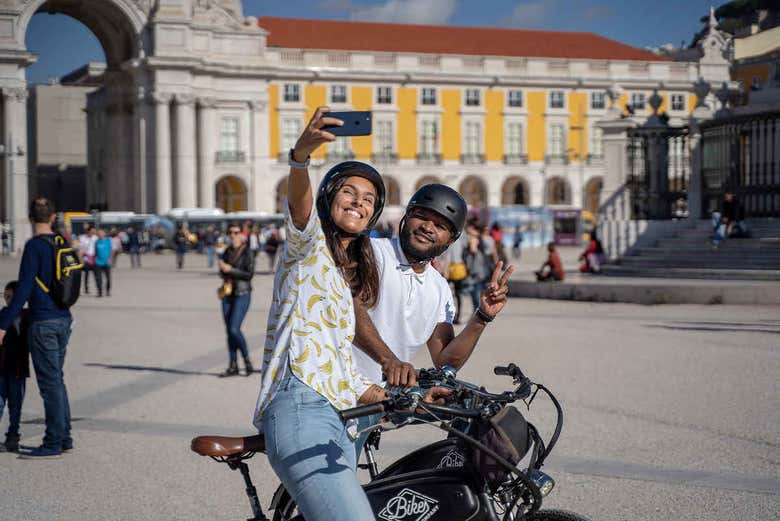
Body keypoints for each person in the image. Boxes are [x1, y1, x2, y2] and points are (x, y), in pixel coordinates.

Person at [253, 107, 445, 521]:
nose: (358, 202)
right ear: (329, 196)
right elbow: (300, 210)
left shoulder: (343, 284)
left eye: (369, 199)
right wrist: (300, 158)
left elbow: (338, 372)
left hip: (342, 418)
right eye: (348, 192)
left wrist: (411, 396)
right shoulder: (308, 249)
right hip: (301, 409)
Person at [351, 183, 514, 409]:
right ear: (406, 218)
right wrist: (389, 360)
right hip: (331, 393)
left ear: (451, 240)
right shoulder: (370, 252)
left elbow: (444, 361)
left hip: (377, 405)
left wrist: (482, 317)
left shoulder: (439, 287)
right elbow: (349, 310)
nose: (428, 227)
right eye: (422, 216)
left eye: (440, 225)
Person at [0, 198, 74, 459]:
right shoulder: (61, 242)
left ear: (31, 219)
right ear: (53, 217)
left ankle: (53, 441)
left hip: (42, 320)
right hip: (64, 318)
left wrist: (4, 324)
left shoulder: (34, 246)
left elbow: (24, 287)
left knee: (50, 383)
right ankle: (64, 437)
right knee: (57, 379)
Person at [218, 223, 255, 377]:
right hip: (227, 294)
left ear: (242, 234)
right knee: (229, 332)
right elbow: (222, 274)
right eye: (230, 232)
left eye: (236, 232)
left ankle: (247, 361)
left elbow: (249, 274)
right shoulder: (227, 251)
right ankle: (233, 365)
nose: (233, 235)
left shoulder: (247, 252)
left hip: (242, 293)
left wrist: (230, 270)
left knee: (234, 329)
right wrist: (222, 269)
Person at [0, 281, 29, 453]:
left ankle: (13, 436)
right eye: (6, 296)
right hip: (2, 369)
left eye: (12, 297)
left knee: (16, 405)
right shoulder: (2, 315)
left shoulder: (26, 316)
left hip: (18, 369)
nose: (8, 300)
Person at [463, 222, 496, 315]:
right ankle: (479, 311)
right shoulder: (483, 239)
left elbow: (473, 250)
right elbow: (492, 252)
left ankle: (477, 312)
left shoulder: (475, 239)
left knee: (476, 292)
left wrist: (470, 243)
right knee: (480, 290)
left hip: (476, 270)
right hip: (483, 268)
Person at [78, 225, 97, 293]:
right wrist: (81, 259)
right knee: (86, 275)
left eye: (94, 231)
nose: (93, 233)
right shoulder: (82, 238)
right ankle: (86, 288)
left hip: (94, 258)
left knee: (96, 274)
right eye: (92, 231)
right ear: (88, 231)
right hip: (86, 258)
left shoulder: (96, 238)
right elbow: (80, 249)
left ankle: (98, 289)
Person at [94, 229, 112, 297]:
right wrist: (95, 259)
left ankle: (107, 291)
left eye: (101, 233)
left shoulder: (108, 241)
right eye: (98, 233)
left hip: (106, 262)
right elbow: (95, 251)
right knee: (98, 278)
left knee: (108, 278)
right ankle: (100, 292)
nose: (100, 234)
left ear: (104, 234)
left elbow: (111, 250)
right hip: (98, 262)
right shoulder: (96, 242)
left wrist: (110, 259)